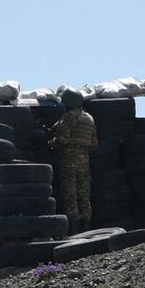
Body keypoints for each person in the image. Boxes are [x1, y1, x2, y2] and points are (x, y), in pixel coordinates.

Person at [50, 89, 97, 232]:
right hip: (84, 158)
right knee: (83, 192)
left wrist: (52, 142)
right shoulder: (89, 118)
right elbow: (94, 142)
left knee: (70, 191)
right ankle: (86, 224)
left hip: (69, 158)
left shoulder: (68, 117)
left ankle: (74, 227)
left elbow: (62, 139)